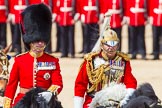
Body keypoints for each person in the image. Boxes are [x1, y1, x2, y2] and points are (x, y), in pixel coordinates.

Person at [3, 3, 63, 108]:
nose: (40, 43)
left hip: (45, 100)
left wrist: (48, 94)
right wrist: (7, 105)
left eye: (42, 41)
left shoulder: (53, 61)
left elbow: (58, 83)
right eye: (37, 41)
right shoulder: (20, 60)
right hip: (23, 100)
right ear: (30, 41)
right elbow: (11, 86)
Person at [74, 13, 137, 108]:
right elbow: (80, 85)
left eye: (114, 44)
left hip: (117, 102)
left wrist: (125, 100)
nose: (111, 48)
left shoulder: (123, 61)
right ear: (102, 45)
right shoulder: (90, 61)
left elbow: (131, 82)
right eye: (107, 44)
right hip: (94, 102)